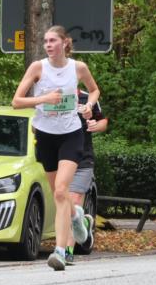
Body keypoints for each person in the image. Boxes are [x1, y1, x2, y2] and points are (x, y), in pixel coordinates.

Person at [12, 26, 100, 271]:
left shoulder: (78, 68)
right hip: (45, 136)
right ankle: (77, 218)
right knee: (58, 193)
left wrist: (89, 105)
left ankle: (60, 251)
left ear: (65, 43)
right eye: (45, 41)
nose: (48, 45)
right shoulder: (37, 68)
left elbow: (94, 90)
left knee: (62, 190)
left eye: (52, 41)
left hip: (71, 134)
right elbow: (16, 101)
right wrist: (44, 99)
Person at [65, 88, 108, 264]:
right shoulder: (53, 95)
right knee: (64, 204)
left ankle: (67, 251)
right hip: (60, 160)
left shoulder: (87, 98)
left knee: (74, 201)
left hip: (83, 160)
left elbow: (103, 121)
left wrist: (96, 125)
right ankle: (83, 223)